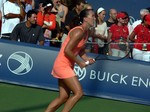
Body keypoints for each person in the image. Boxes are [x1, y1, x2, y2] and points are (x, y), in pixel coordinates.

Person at [45, 9, 95, 112]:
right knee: (79, 93)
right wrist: (80, 62)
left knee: (63, 97)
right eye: (93, 16)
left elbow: (79, 50)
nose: (95, 18)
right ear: (85, 18)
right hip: (62, 65)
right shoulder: (78, 31)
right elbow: (67, 50)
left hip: (67, 65)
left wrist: (86, 59)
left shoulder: (86, 32)